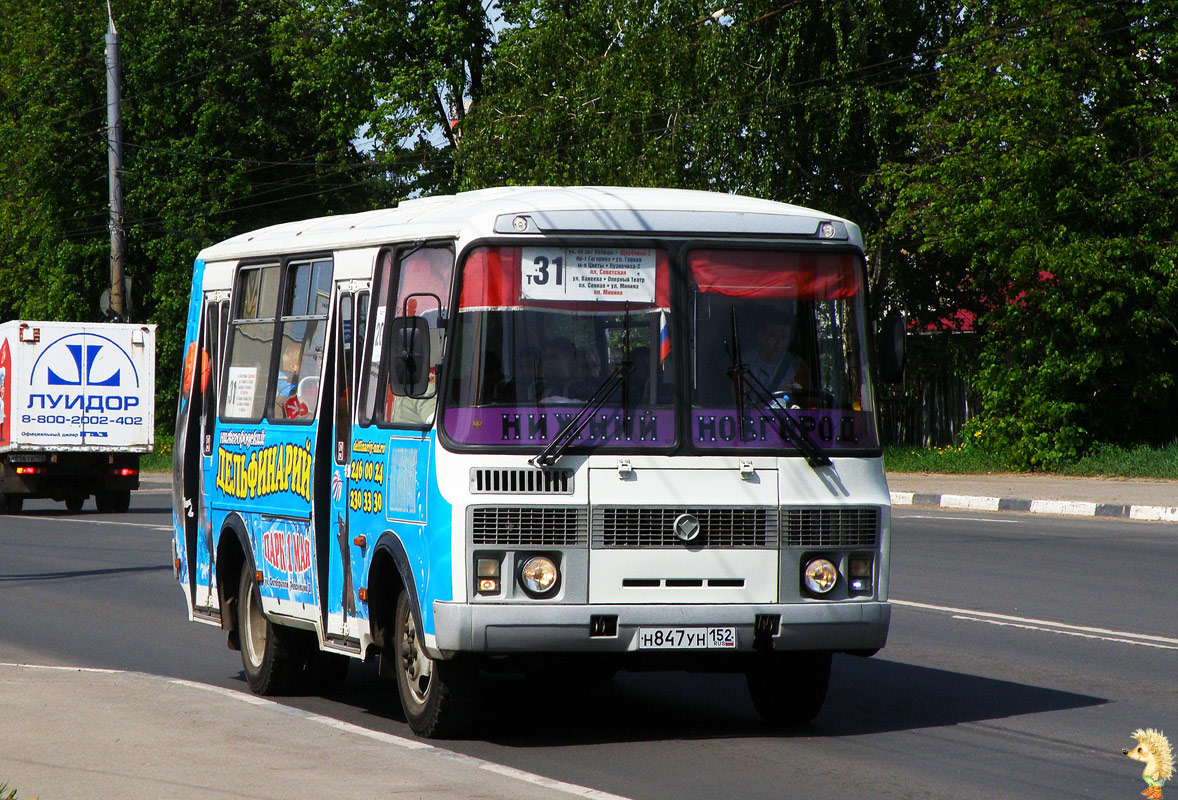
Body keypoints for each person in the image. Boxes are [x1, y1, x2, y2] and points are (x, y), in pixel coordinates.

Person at [742, 304, 810, 395]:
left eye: (784, 337)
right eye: (773, 336)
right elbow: (741, 405)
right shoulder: (743, 365)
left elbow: (809, 401)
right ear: (760, 336)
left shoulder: (797, 366)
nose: (779, 344)